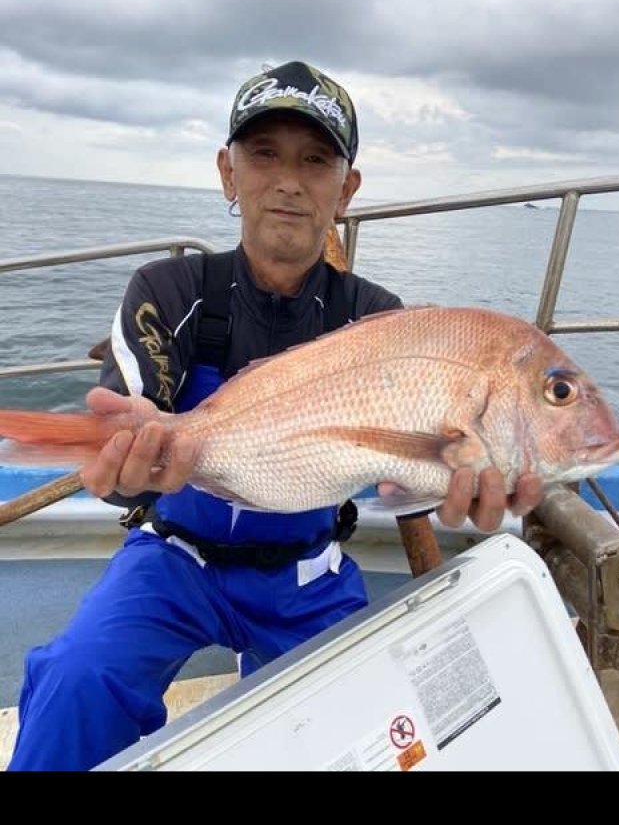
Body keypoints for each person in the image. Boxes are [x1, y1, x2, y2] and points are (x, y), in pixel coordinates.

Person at [7, 61, 544, 771]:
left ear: (346, 191)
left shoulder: (378, 319)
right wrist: (131, 464)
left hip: (306, 573)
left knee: (382, 726)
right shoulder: (168, 291)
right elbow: (130, 475)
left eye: (315, 160)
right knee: (75, 681)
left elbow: (411, 476)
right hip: (172, 558)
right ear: (228, 173)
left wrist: (469, 480)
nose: (288, 180)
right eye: (263, 154)